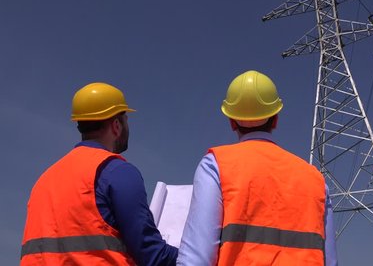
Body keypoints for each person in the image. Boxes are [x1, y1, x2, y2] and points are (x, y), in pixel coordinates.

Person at [177, 70, 338, 265]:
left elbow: (196, 258)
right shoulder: (315, 180)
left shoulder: (216, 164)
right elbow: (330, 261)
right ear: (276, 119)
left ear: (231, 122)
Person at [21, 82, 178, 266]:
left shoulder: (44, 181)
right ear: (117, 125)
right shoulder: (116, 172)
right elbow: (152, 254)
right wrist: (200, 256)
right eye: (126, 119)